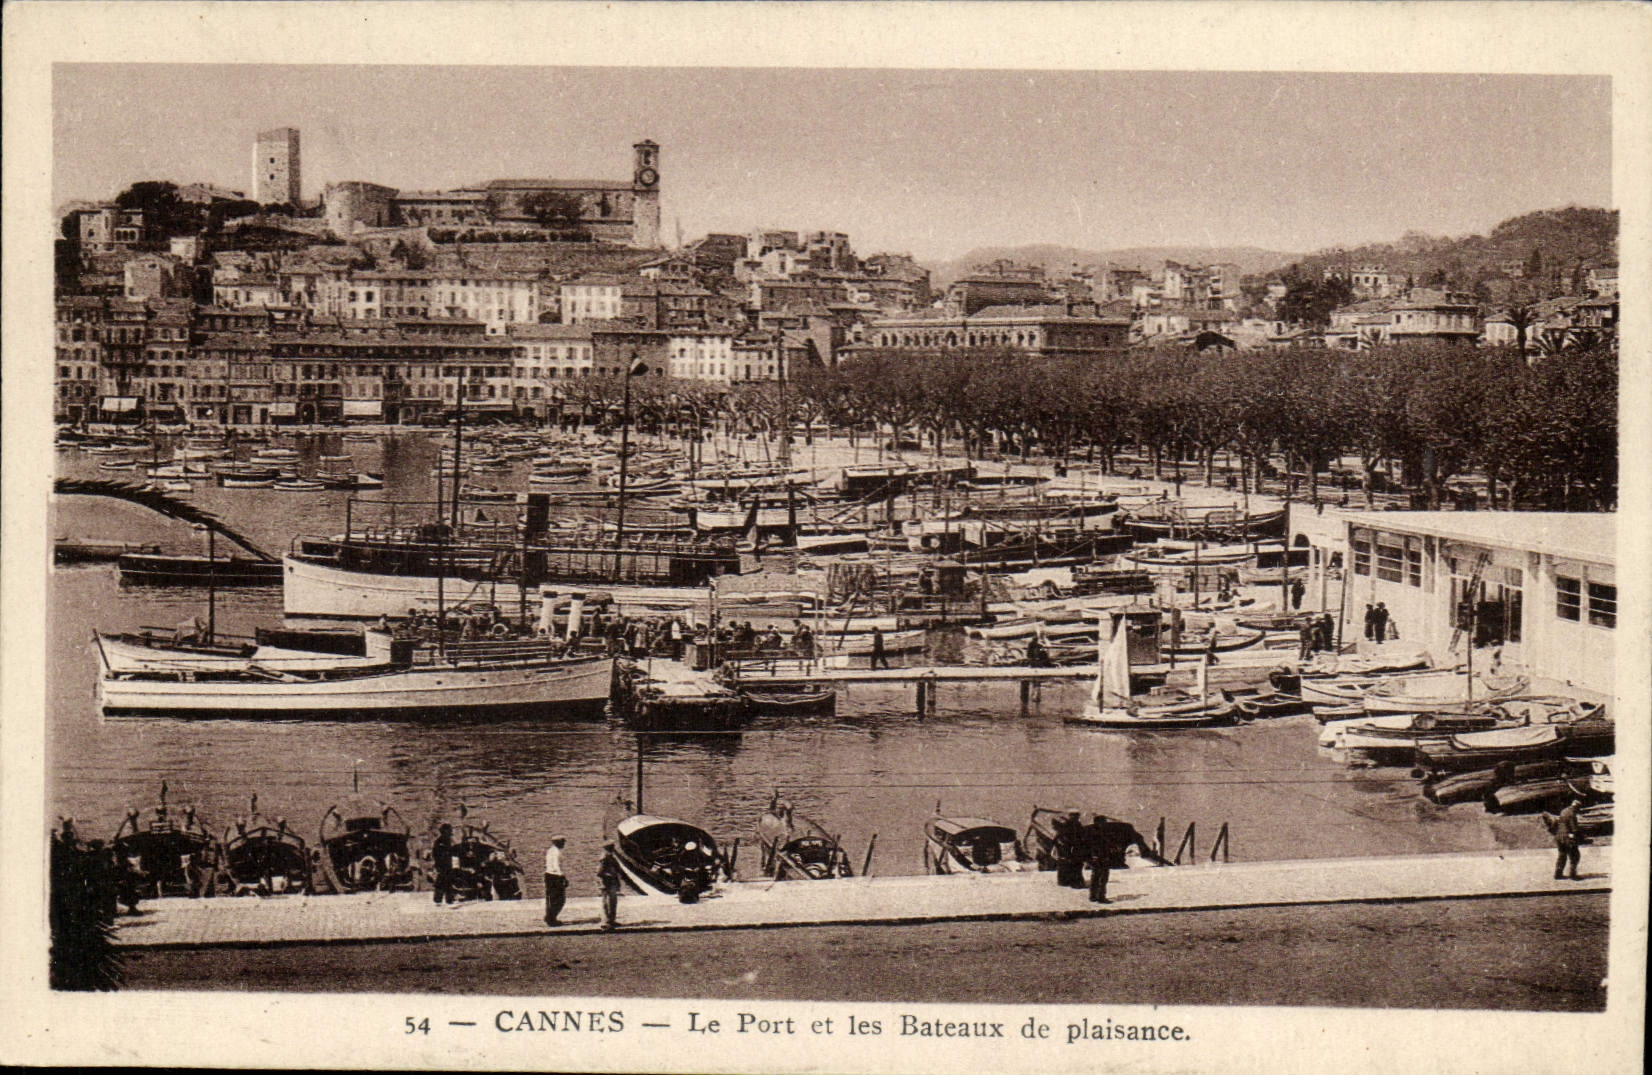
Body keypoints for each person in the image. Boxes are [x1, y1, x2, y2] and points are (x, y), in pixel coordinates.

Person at [1545, 798, 1583, 881]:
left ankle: (1558, 874)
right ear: (1576, 807)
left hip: (1559, 836)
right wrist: (1582, 836)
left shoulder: (1563, 811)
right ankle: (1573, 875)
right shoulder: (1572, 814)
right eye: (1578, 809)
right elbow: (1574, 829)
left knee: (1562, 855)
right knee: (1575, 856)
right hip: (1567, 838)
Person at [1053, 811, 1086, 889]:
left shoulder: (1070, 826)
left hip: (1068, 850)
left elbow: (1056, 839)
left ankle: (1065, 881)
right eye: (1074, 816)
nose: (1076, 818)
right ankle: (1074, 882)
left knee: (1068, 866)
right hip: (1071, 850)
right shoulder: (1074, 826)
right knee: (1074, 866)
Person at [597, 845, 623, 930]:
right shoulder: (604, 858)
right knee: (607, 902)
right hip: (607, 882)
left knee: (612, 902)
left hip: (612, 882)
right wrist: (609, 876)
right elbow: (599, 872)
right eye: (611, 847)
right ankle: (605, 922)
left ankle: (611, 920)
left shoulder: (610, 857)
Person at [543, 835, 567, 927]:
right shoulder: (557, 852)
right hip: (556, 877)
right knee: (560, 899)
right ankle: (552, 918)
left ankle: (549, 916)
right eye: (562, 842)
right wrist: (563, 877)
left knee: (550, 898)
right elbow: (557, 866)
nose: (564, 844)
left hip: (548, 875)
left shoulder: (550, 851)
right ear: (558, 843)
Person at [432, 823, 457, 905]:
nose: (450, 832)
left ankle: (448, 899)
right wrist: (438, 864)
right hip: (442, 864)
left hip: (448, 864)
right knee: (441, 881)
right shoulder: (439, 841)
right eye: (449, 830)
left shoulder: (449, 840)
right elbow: (435, 853)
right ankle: (438, 900)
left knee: (448, 881)